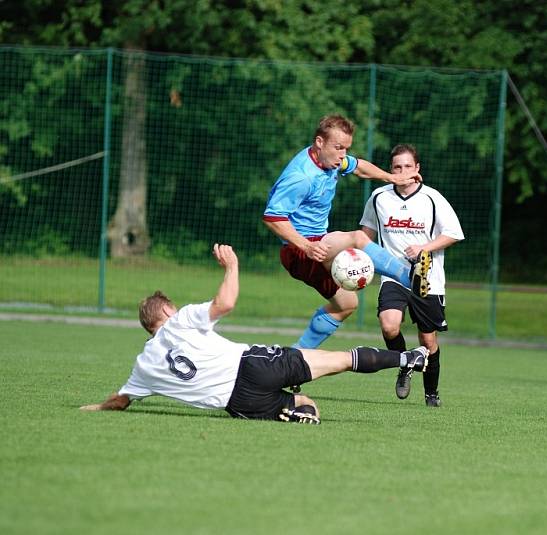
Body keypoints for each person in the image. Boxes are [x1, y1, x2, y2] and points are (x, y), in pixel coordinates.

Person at [79, 244, 429, 424]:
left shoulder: (143, 367)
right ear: (167, 311)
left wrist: (92, 407)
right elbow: (226, 302)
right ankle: (407, 357)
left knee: (305, 405)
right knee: (336, 361)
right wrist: (232, 266)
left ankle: (297, 410)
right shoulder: (181, 319)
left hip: (240, 404)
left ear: (147, 327)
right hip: (251, 365)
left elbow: (120, 401)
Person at [262, 114, 431, 351]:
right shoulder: (301, 176)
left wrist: (392, 177)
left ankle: (295, 358)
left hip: (317, 245)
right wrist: (307, 246)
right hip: (299, 250)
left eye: (346, 149)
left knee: (345, 304)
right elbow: (272, 217)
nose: (343, 155)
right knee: (358, 238)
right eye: (338, 148)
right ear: (319, 142)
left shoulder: (329, 160)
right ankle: (408, 276)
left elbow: (359, 167)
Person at [360, 144, 464, 407]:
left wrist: (423, 248)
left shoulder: (432, 198)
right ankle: (404, 364)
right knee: (388, 324)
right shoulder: (379, 197)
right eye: (397, 167)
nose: (403, 171)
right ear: (391, 170)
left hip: (426, 279)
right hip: (393, 275)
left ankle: (431, 394)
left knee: (428, 340)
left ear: (417, 169)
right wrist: (356, 260)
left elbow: (453, 233)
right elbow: (365, 236)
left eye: (408, 166)